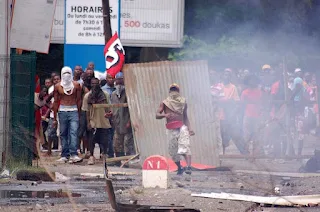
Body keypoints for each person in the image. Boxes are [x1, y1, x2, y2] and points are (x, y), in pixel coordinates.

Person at [156, 83, 194, 175]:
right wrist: (165, 115)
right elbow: (157, 115)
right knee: (173, 150)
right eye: (172, 90)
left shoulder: (183, 102)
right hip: (171, 129)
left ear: (178, 92)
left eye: (175, 90)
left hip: (182, 127)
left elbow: (185, 116)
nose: (174, 92)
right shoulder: (165, 103)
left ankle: (188, 167)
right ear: (169, 92)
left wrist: (190, 128)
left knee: (185, 147)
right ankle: (179, 167)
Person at [53, 67, 82, 163]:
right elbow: (56, 101)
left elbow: (78, 100)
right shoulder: (57, 86)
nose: (66, 75)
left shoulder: (77, 85)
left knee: (73, 132)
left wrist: (79, 113)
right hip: (62, 111)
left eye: (68, 73)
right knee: (63, 133)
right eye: (64, 73)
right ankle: (64, 155)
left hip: (73, 110)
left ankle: (74, 154)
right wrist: (54, 117)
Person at [82, 77, 113, 164]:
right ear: (91, 84)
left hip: (103, 121)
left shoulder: (105, 94)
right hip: (93, 121)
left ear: (99, 84)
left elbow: (108, 107)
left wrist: (109, 115)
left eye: (96, 83)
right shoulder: (87, 96)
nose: (94, 85)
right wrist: (88, 123)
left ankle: (104, 155)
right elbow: (86, 111)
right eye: (93, 84)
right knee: (91, 140)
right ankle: (91, 157)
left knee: (104, 140)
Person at [217, 70, 248, 155]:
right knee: (221, 137)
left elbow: (237, 102)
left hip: (231, 116)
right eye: (225, 75)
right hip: (220, 116)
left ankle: (246, 154)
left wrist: (233, 114)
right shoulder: (219, 86)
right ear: (222, 76)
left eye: (228, 75)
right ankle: (221, 156)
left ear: (230, 77)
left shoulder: (233, 87)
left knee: (236, 135)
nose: (226, 77)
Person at [111, 72, 135, 162]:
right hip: (117, 123)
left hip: (126, 122)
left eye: (121, 80)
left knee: (127, 143)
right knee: (117, 143)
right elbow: (113, 108)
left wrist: (129, 121)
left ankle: (127, 161)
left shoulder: (129, 93)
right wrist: (111, 115)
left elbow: (132, 109)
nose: (119, 83)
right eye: (118, 80)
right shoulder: (113, 94)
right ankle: (118, 161)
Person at [241, 75, 264, 156]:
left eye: (254, 80)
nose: (252, 82)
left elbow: (262, 103)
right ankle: (247, 153)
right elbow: (242, 104)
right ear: (248, 82)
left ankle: (255, 154)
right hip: (247, 115)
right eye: (251, 80)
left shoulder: (260, 92)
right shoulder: (244, 92)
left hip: (257, 116)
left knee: (256, 135)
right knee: (246, 135)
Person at [290, 68, 308, 156]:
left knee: (299, 133)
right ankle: (295, 153)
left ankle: (298, 153)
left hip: (299, 111)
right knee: (294, 134)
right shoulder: (297, 81)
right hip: (296, 112)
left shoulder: (301, 86)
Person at [101, 73, 116, 158]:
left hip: (115, 115)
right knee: (107, 135)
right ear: (106, 79)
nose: (111, 79)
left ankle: (114, 152)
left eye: (113, 78)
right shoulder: (103, 90)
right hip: (106, 115)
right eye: (109, 78)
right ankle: (108, 153)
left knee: (114, 135)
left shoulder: (116, 89)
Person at [46, 74, 61, 155]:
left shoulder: (63, 87)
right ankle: (49, 150)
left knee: (61, 132)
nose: (56, 80)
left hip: (61, 111)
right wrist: (50, 107)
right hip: (53, 113)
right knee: (51, 132)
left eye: (57, 79)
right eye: (54, 79)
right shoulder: (51, 89)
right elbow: (48, 100)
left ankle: (61, 150)